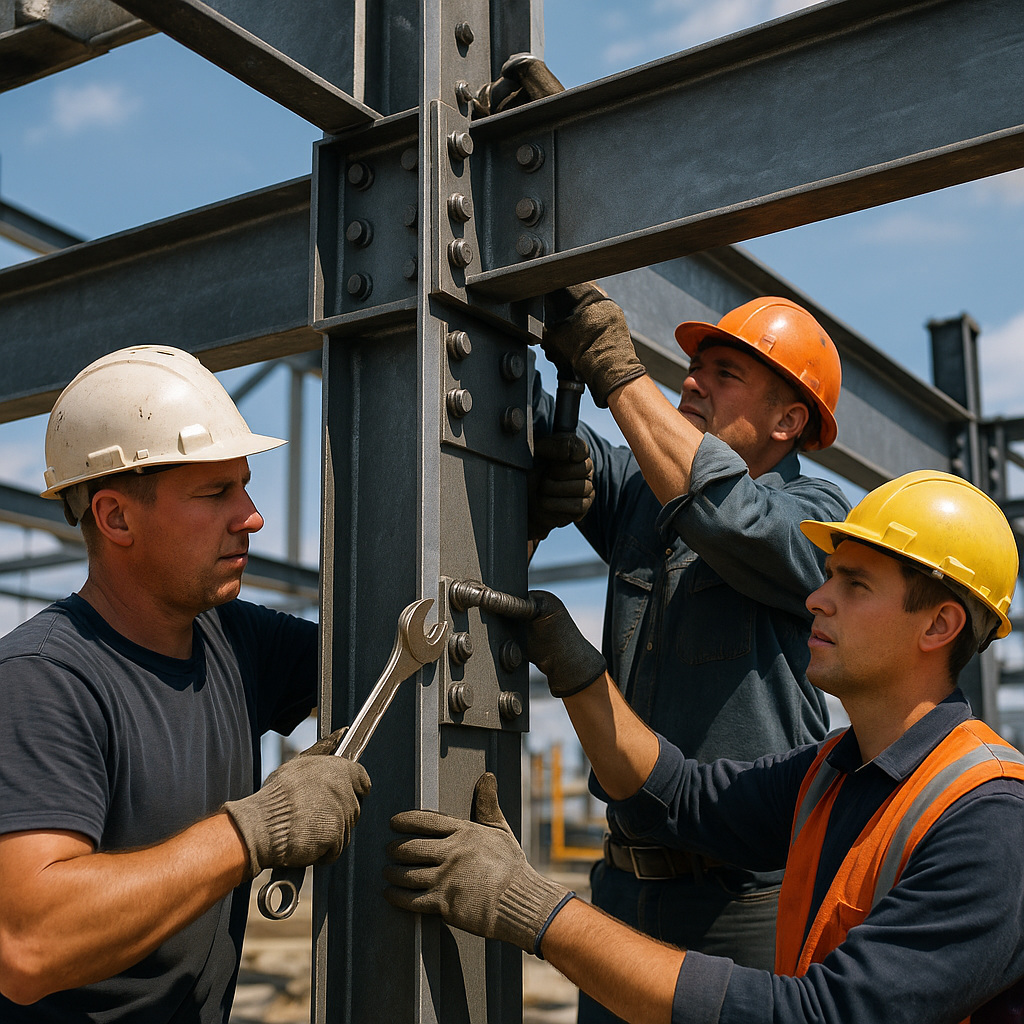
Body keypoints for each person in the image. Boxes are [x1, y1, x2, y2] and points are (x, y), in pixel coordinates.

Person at [384, 469, 1024, 1024]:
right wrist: (577, 670)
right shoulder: (836, 774)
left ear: (940, 624)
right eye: (828, 577)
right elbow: (680, 797)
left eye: (854, 585)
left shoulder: (991, 822)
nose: (816, 599)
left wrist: (533, 908)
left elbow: (825, 1016)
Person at [0, 346, 369, 1021]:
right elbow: (28, 944)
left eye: (245, 486)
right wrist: (255, 829)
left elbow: (393, 654)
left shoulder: (232, 639)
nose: (252, 516)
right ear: (116, 518)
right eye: (215, 493)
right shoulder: (43, 681)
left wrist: (509, 527)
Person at [531, 286, 850, 987]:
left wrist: (616, 373)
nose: (692, 380)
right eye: (695, 365)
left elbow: (726, 514)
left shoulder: (821, 522)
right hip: (621, 887)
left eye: (724, 374)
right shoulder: (642, 493)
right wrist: (526, 324)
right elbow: (531, 431)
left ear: (788, 420)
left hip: (746, 902)